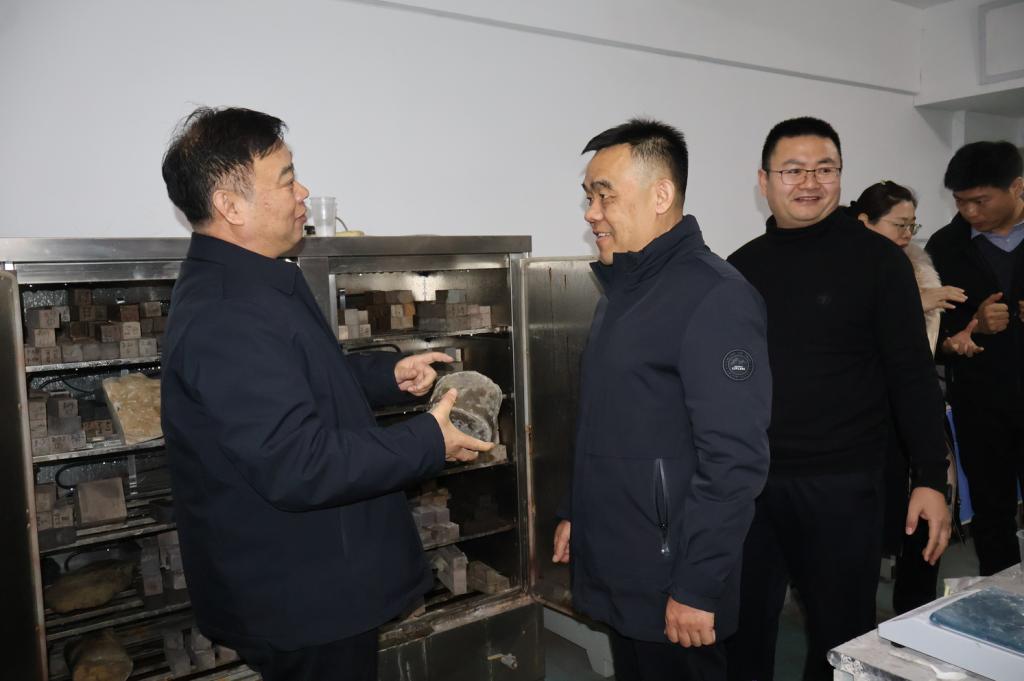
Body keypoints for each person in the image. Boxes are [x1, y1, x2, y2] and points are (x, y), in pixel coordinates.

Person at [159, 106, 491, 681]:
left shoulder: (255, 283)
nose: (303, 192)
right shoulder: (227, 313)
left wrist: (386, 376)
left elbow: (300, 382)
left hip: (314, 582)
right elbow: (298, 464)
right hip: (301, 598)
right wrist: (428, 440)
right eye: (286, 179)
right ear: (230, 205)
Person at [725, 117, 952, 681]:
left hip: (843, 485)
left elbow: (912, 374)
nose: (810, 182)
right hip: (752, 484)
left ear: (840, 177)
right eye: (793, 170)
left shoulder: (879, 262)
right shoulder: (740, 268)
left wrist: (930, 477)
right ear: (764, 180)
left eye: (824, 169)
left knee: (841, 638)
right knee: (741, 630)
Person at [550, 118, 771, 681]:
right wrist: (578, 513)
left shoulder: (714, 297)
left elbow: (735, 460)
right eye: (588, 196)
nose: (591, 213)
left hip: (673, 572)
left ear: (661, 195)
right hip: (622, 554)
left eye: (605, 195)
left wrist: (698, 584)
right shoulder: (623, 290)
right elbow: (608, 422)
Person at [852, 181, 963, 613]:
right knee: (863, 535)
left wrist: (958, 341)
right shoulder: (848, 269)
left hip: (916, 411)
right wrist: (919, 301)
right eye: (898, 224)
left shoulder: (918, 267)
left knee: (927, 517)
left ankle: (914, 618)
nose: (906, 235)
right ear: (865, 222)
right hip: (866, 421)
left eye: (911, 225)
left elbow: (922, 353)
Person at [926, 141, 1024, 576]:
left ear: (1016, 187)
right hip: (981, 406)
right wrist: (968, 332)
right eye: (960, 201)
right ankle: (1000, 601)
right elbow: (930, 337)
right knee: (992, 511)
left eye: (980, 201)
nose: (969, 212)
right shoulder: (945, 248)